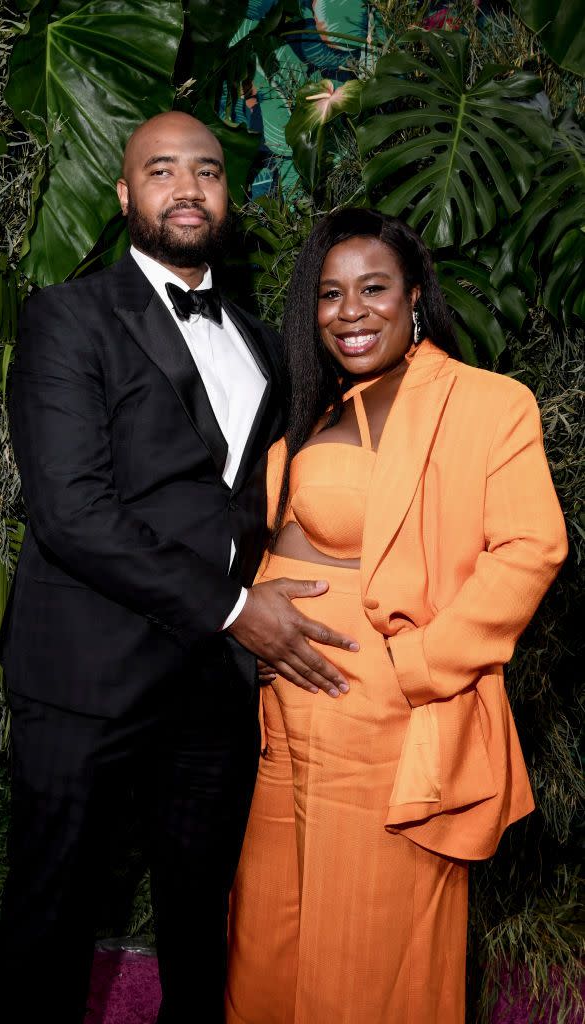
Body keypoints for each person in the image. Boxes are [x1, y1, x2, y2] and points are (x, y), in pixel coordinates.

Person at [0, 112, 360, 1024]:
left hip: (212, 687)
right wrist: (238, 608)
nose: (187, 187)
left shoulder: (262, 338)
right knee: (54, 913)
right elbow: (72, 514)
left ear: (228, 197)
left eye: (207, 170)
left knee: (202, 920)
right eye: (161, 170)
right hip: (87, 670)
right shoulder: (66, 316)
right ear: (125, 197)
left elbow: (266, 497)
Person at [225, 208, 568, 1024]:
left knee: (364, 956)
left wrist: (415, 668)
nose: (351, 311)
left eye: (373, 288)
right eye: (330, 293)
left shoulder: (484, 403)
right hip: (283, 717)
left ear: (414, 296)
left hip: (383, 718)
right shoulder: (315, 407)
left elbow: (530, 548)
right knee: (267, 942)